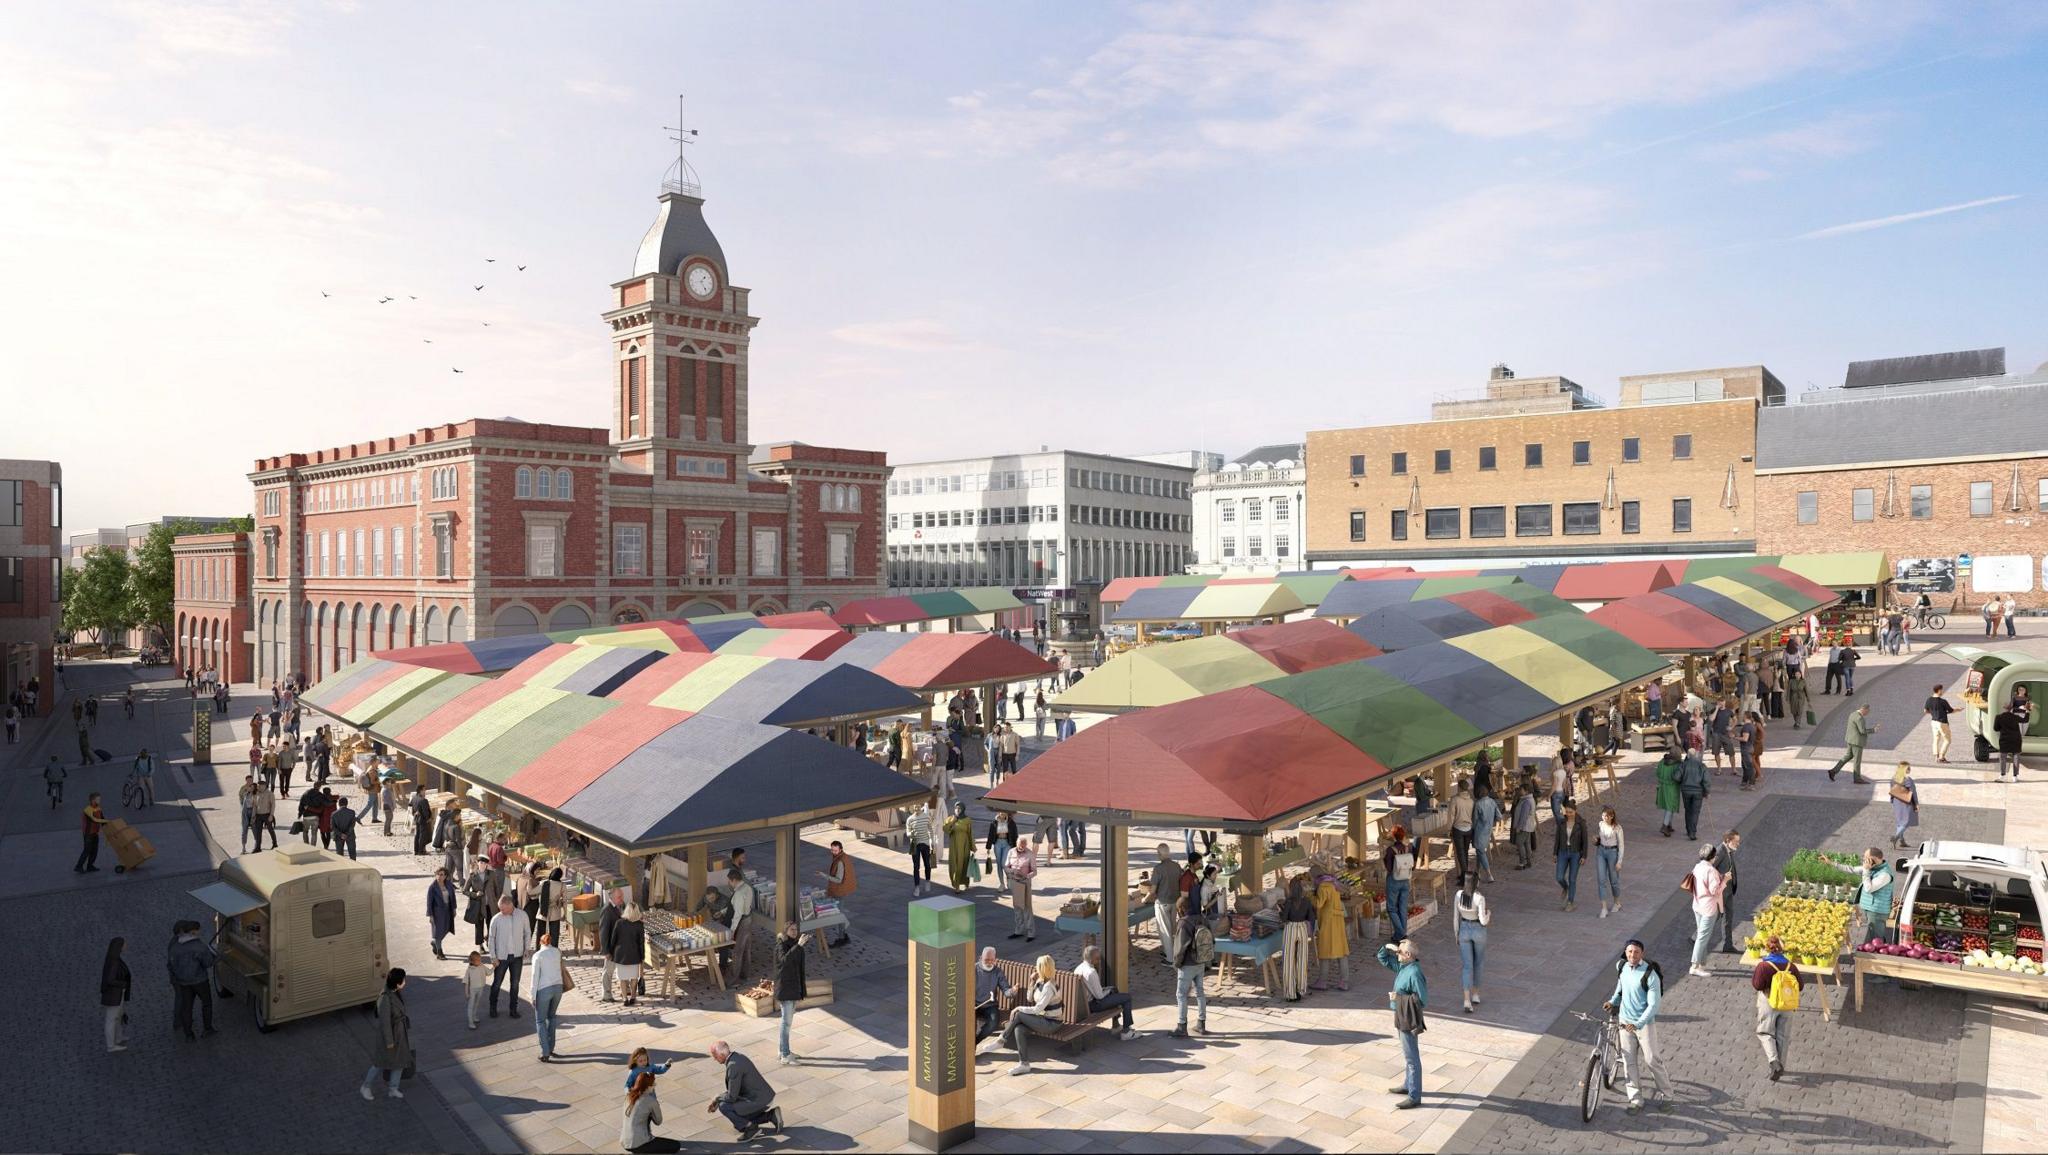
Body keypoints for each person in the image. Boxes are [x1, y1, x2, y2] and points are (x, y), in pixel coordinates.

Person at [1606, 939, 1671, 1115]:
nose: (1632, 955)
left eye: (1635, 952)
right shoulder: (1622, 967)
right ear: (1625, 953)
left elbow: (1653, 1005)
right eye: (1629, 952)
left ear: (1642, 953)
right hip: (1624, 1022)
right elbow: (1620, 989)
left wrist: (1638, 1024)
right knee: (1629, 1062)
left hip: (1643, 1025)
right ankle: (1635, 1100)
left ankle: (1667, 1096)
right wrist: (1613, 1002)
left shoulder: (1650, 975)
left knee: (1652, 1060)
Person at [1378, 939, 1427, 1109]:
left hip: (1408, 1017)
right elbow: (1383, 959)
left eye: (1399, 952)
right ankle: (1408, 1085)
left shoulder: (1413, 973)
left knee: (1412, 1057)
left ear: (1408, 955)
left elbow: (1422, 999)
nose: (1397, 953)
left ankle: (1414, 1096)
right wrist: (1387, 948)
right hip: (1400, 1013)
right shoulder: (1403, 966)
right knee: (1408, 1055)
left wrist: (1398, 998)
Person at [1750, 934, 1803, 1080]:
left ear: (1768, 949)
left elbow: (1757, 985)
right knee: (1783, 1036)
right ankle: (1781, 1066)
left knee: (1765, 1032)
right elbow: (1801, 986)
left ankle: (1774, 1061)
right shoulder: (1790, 966)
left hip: (1769, 1003)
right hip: (1787, 1004)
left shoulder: (1763, 966)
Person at [706, 1041, 781, 1140]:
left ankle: (751, 1129)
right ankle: (771, 1115)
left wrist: (717, 1099)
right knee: (738, 1120)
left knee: (725, 1107)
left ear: (722, 1054)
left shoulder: (733, 1066)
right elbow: (735, 1091)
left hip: (759, 1100)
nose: (714, 1059)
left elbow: (732, 1096)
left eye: (715, 1056)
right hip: (763, 1096)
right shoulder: (737, 1057)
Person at [361, 969, 412, 1101]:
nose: (405, 982)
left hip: (399, 1034)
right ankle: (366, 1086)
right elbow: (385, 1022)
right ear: (397, 982)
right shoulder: (385, 997)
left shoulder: (395, 992)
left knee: (400, 1062)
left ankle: (393, 1088)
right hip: (389, 1037)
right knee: (380, 1063)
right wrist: (389, 1041)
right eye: (403, 980)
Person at [1072, 943, 1139, 1040]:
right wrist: (1108, 991)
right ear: (1091, 959)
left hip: (1083, 1004)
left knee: (1113, 990)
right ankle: (1126, 1031)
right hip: (1092, 1005)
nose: (1099, 961)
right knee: (1127, 998)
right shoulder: (1091, 972)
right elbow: (1099, 996)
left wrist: (1109, 990)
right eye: (1097, 959)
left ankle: (1116, 1025)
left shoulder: (1079, 968)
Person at [167, 921, 218, 1040]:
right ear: (194, 931)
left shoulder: (175, 946)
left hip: (183, 982)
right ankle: (207, 1029)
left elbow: (170, 964)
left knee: (187, 1007)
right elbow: (208, 963)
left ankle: (188, 1034)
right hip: (200, 981)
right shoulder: (198, 946)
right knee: (206, 1003)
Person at [1170, 897, 1210, 1039]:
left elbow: (1180, 948)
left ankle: (1182, 1026)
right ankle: (1201, 1023)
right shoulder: (1202, 919)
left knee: (1181, 995)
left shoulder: (1183, 923)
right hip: (1201, 962)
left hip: (1187, 964)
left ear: (1180, 909)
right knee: (1200, 992)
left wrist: (1176, 964)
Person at [488, 895, 533, 1017]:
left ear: (510, 905)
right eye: (500, 909)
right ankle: (492, 1007)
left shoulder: (522, 915)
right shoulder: (496, 919)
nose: (501, 911)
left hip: (517, 956)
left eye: (503, 909)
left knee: (515, 984)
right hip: (501, 957)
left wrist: (527, 948)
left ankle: (513, 1010)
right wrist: (493, 956)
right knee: (497, 983)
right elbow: (491, 939)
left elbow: (527, 932)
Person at [1453, 875, 1489, 1013]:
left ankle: (1466, 999)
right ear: (1476, 883)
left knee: (1467, 966)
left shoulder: (1458, 895)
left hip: (1464, 929)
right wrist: (1489, 914)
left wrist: (1456, 933)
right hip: (1478, 929)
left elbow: (1455, 917)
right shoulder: (1479, 898)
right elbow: (1483, 920)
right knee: (1478, 963)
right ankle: (1476, 994)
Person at [1688, 843, 1724, 978]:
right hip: (1709, 907)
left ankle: (1702, 964)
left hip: (1697, 905)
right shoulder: (1711, 871)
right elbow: (1715, 890)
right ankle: (1694, 966)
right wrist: (1724, 880)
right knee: (1702, 937)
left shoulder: (1697, 867)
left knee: (1700, 936)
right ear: (1712, 857)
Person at [623, 1071, 681, 1154]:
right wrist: (654, 1109)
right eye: (653, 1084)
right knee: (676, 1145)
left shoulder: (629, 1096)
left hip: (625, 1142)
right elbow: (658, 1121)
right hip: (640, 1144)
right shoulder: (650, 1100)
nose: (654, 1086)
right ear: (647, 1087)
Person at [774, 923, 807, 1064]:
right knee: (785, 1023)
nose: (795, 932)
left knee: (787, 1022)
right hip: (786, 989)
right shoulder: (781, 946)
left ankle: (783, 1050)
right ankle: (785, 1055)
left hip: (793, 988)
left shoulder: (793, 944)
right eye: (792, 930)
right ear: (786, 931)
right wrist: (798, 946)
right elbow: (784, 961)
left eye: (796, 930)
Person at [1311, 873, 1350, 992]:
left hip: (1328, 923)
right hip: (1338, 921)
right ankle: (1344, 981)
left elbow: (1318, 904)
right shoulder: (1333, 883)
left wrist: (1309, 896)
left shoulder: (1323, 887)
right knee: (1341, 953)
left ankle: (1322, 981)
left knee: (1324, 952)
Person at [1277, 876, 1314, 1002]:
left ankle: (1290, 993)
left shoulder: (1289, 902)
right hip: (1302, 928)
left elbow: (1284, 918)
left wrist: (1280, 911)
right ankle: (1301, 989)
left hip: (1291, 928)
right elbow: (1311, 917)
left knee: (1288, 961)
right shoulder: (1307, 901)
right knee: (1302, 960)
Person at [531, 933, 564, 1061]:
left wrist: (533, 996)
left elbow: (535, 977)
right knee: (552, 1017)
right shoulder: (557, 952)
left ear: (540, 942)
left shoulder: (538, 956)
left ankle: (545, 1052)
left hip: (544, 989)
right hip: (558, 987)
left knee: (540, 1020)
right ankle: (551, 1047)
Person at [1151, 844, 1185, 964]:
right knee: (1173, 929)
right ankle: (1172, 952)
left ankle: (1170, 958)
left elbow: (1153, 890)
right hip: (1174, 901)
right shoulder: (1176, 866)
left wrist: (1146, 899)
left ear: (1159, 854)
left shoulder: (1158, 869)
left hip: (1162, 902)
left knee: (1165, 930)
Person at [818, 841, 856, 947]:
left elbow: (838, 879)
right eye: (832, 850)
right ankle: (843, 935)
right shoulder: (843, 857)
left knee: (839, 914)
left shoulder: (840, 861)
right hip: (842, 890)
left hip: (839, 890)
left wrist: (823, 875)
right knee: (840, 913)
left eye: (835, 850)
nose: (833, 852)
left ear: (840, 849)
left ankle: (841, 937)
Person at [1383, 826, 1416, 940]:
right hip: (1406, 880)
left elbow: (1388, 868)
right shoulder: (1408, 848)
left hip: (1394, 880)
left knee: (1391, 908)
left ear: (1393, 836)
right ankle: (1399, 935)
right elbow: (1413, 865)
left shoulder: (1390, 850)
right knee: (1402, 907)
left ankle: (1401, 933)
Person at [1830, 704, 1877, 784]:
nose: (1867, 713)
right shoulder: (1859, 718)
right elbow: (1862, 731)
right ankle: (1857, 778)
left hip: (1850, 740)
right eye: (1867, 711)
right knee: (1857, 761)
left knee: (1848, 756)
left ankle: (1833, 771)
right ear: (1864, 709)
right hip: (1857, 742)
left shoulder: (1852, 714)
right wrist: (1873, 730)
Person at [610, 904, 647, 1006]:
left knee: (622, 978)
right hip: (634, 956)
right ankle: (633, 997)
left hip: (621, 956)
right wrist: (642, 957)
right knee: (634, 978)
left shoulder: (619, 923)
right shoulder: (639, 925)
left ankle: (625, 998)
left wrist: (611, 952)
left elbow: (613, 940)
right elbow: (641, 943)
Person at [974, 946, 1013, 1042]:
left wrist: (1012, 991)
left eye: (992, 960)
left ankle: (974, 1042)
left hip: (990, 1005)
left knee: (993, 1023)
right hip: (974, 1003)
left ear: (995, 959)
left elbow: (1006, 990)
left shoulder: (998, 972)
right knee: (969, 1022)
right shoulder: (974, 969)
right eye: (986, 960)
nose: (989, 962)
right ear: (980, 958)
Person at [100, 936, 131, 1054]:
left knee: (118, 1016)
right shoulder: (114, 961)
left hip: (116, 994)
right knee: (112, 1019)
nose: (126, 945)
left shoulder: (113, 958)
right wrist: (123, 984)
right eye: (124, 944)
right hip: (114, 994)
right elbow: (110, 980)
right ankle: (111, 1045)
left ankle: (118, 1037)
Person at [1554, 801, 1586, 912]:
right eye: (1567, 812)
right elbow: (1557, 838)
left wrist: (1584, 856)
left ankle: (1570, 902)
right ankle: (1565, 887)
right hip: (1562, 851)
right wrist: (1555, 853)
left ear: (1575, 811)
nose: (1569, 814)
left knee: (1572, 879)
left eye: (1571, 812)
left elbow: (1585, 841)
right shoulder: (1562, 822)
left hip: (1575, 854)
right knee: (1559, 877)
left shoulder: (1580, 823)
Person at [1859, 847, 1896, 942]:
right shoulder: (1875, 867)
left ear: (1875, 859)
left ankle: (1879, 952)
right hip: (1872, 908)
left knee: (1877, 937)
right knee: (1873, 934)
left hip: (1877, 911)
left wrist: (1866, 871)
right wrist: (1831, 863)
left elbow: (1869, 888)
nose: (1864, 859)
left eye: (1866, 857)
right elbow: (1853, 869)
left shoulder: (1885, 875)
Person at [1595, 806, 1625, 918]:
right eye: (1603, 815)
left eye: (1606, 816)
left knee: (1614, 880)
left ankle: (1617, 902)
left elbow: (1621, 846)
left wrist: (1619, 861)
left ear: (1612, 816)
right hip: (1601, 851)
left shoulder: (1617, 828)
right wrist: (1597, 840)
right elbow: (1601, 838)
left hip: (1612, 852)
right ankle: (1604, 907)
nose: (1604, 818)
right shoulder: (1601, 824)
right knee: (1601, 880)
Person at [1006, 838, 1037, 942]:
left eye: (1023, 845)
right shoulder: (1011, 852)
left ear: (1026, 845)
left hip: (1025, 882)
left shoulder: (1030, 854)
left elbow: (1034, 871)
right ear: (1016, 843)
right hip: (1015, 882)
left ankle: (1031, 933)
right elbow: (1006, 867)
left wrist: (1027, 876)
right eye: (1020, 845)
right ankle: (1018, 930)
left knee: (1027, 907)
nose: (1021, 847)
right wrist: (1013, 871)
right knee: (1017, 906)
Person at [1677, 743, 1710, 841]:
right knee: (1695, 812)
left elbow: (1676, 777)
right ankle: (1693, 832)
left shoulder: (1683, 765)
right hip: (1698, 792)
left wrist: (1682, 781)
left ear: (1687, 755)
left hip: (1686, 790)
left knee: (1688, 810)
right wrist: (1707, 791)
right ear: (1696, 755)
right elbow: (1706, 780)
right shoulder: (1701, 765)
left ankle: (1688, 829)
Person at [1718, 830, 1744, 953]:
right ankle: (1696, 937)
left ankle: (1727, 945)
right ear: (1728, 841)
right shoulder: (1719, 852)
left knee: (1729, 916)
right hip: (1720, 892)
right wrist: (1723, 876)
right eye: (1736, 841)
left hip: (1728, 891)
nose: (1738, 844)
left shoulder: (1730, 850)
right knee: (1713, 917)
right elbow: (1709, 870)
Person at [906, 797, 936, 898]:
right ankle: (917, 887)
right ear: (912, 808)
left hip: (925, 843)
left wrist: (932, 843)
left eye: (918, 806)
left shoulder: (926, 817)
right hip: (915, 844)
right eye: (915, 806)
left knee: (927, 864)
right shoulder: (910, 819)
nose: (916, 808)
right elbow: (907, 832)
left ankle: (927, 881)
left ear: (921, 806)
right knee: (916, 866)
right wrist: (911, 834)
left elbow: (930, 830)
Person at [1448, 777, 1476, 882]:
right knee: (1465, 852)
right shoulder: (1471, 800)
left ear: (1459, 788)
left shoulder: (1455, 799)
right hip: (1468, 828)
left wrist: (1448, 829)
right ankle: (1464, 874)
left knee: (1460, 853)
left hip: (1458, 828)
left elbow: (1451, 816)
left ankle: (1465, 876)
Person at [427, 867, 458, 960]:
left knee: (446, 929)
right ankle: (440, 953)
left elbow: (453, 897)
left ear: (445, 876)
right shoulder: (432, 887)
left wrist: (454, 909)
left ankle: (434, 942)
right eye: (438, 874)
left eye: (442, 875)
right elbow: (429, 902)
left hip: (447, 911)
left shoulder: (448, 884)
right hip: (437, 913)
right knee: (438, 932)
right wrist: (430, 915)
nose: (439, 876)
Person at [944, 801, 975, 892]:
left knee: (965, 864)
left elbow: (970, 833)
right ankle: (956, 885)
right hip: (954, 845)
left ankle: (966, 883)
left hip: (965, 845)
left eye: (959, 808)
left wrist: (972, 846)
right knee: (955, 865)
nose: (957, 810)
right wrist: (952, 822)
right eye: (956, 808)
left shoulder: (967, 820)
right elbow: (945, 829)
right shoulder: (950, 818)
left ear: (963, 809)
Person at [1471, 785, 1499, 883]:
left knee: (1481, 852)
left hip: (1479, 831)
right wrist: (1491, 822)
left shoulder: (1478, 804)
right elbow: (1499, 816)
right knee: (1480, 851)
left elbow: (1474, 820)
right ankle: (1477, 871)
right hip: (1488, 830)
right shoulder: (1492, 801)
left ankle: (1489, 874)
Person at [1890, 762, 1921, 848]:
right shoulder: (1908, 780)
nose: (1910, 769)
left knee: (1900, 822)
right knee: (1906, 822)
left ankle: (1902, 841)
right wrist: (1917, 804)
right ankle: (1896, 837)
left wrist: (1892, 801)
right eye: (1908, 768)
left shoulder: (1893, 778)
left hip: (1897, 801)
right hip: (1906, 802)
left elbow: (1891, 790)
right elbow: (1913, 793)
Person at [75, 793, 107, 873]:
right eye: (98, 799)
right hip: (88, 833)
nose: (100, 800)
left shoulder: (98, 808)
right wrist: (106, 821)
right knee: (87, 850)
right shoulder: (88, 810)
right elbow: (94, 820)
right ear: (93, 800)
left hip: (95, 833)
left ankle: (90, 866)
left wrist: (108, 826)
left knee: (94, 851)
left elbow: (102, 818)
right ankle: (78, 866)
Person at [1653, 748, 1682, 837]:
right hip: (1672, 787)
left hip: (1662, 787)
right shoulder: (1678, 764)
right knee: (1670, 807)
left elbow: (1657, 773)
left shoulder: (1662, 761)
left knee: (1668, 806)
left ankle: (1669, 824)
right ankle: (1665, 826)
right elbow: (1678, 777)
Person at [1924, 684, 1955, 763]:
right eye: (1942, 690)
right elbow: (1951, 710)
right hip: (1942, 723)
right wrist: (1958, 710)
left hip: (1933, 722)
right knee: (1947, 740)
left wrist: (1933, 713)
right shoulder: (1943, 701)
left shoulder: (1929, 700)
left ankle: (1936, 756)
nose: (1942, 691)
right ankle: (1941, 757)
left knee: (1936, 739)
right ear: (1939, 690)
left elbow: (1925, 711)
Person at [1995, 704, 2025, 781]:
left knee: (2003, 757)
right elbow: (2025, 720)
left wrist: (2002, 728)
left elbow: (1995, 728)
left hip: (2004, 740)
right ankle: (2015, 777)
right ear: (2011, 709)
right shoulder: (2015, 717)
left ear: (2004, 709)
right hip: (2016, 739)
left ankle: (2003, 776)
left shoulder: (1999, 717)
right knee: (2016, 757)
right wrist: (2028, 711)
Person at [986, 810, 1019, 881]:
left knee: (1004, 864)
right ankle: (1002, 884)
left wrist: (1015, 847)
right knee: (999, 864)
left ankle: (1009, 878)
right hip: (997, 843)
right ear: (998, 812)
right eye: (1000, 812)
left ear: (1007, 813)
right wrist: (988, 847)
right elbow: (990, 835)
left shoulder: (1011, 822)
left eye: (1004, 812)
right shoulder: (994, 822)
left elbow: (1015, 835)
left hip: (1007, 844)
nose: (1002, 813)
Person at [1510, 786, 1536, 869]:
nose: (1520, 791)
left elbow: (1523, 816)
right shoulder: (1528, 799)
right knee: (1527, 843)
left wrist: (1519, 827)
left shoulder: (1526, 801)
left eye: (1522, 790)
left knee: (1520, 843)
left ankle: (1522, 863)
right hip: (1528, 826)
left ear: (1526, 791)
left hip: (1524, 827)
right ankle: (1528, 861)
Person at [463, 951, 489, 1029]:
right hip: (472, 990)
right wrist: (466, 993)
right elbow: (466, 982)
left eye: (480, 959)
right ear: (472, 961)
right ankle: (470, 1022)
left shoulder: (482, 966)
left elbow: (489, 972)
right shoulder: (469, 970)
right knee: (471, 1005)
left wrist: (494, 967)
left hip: (480, 988)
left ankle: (474, 1017)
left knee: (477, 1003)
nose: (480, 961)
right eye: (478, 960)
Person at [410, 789, 433, 856]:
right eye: (424, 790)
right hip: (423, 820)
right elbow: (425, 811)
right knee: (423, 836)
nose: (425, 792)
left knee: (417, 835)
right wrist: (428, 818)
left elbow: (410, 805)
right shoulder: (423, 800)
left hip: (417, 819)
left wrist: (415, 812)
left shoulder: (414, 797)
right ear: (420, 791)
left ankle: (416, 850)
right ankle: (421, 851)